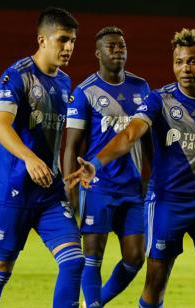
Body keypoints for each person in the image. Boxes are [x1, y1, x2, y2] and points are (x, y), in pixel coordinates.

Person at [65, 28, 195, 308]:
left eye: (193, 61)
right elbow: (130, 134)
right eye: (179, 62)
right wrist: (95, 163)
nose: (185, 68)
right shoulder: (159, 100)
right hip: (167, 204)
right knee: (155, 284)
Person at [0, 7, 84, 308]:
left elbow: (55, 138)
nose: (69, 48)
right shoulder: (17, 75)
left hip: (49, 193)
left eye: (73, 41)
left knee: (74, 261)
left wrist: (72, 169)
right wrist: (29, 158)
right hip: (13, 190)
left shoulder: (65, 83)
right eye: (63, 40)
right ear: (42, 39)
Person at [63, 26, 151, 308]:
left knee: (136, 257)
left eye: (122, 46)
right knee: (92, 254)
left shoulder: (142, 88)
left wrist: (153, 176)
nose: (118, 50)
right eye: (111, 46)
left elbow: (148, 140)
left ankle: (95, 303)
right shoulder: (85, 92)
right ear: (98, 53)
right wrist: (70, 188)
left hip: (132, 187)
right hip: (96, 185)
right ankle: (93, 305)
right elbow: (71, 146)